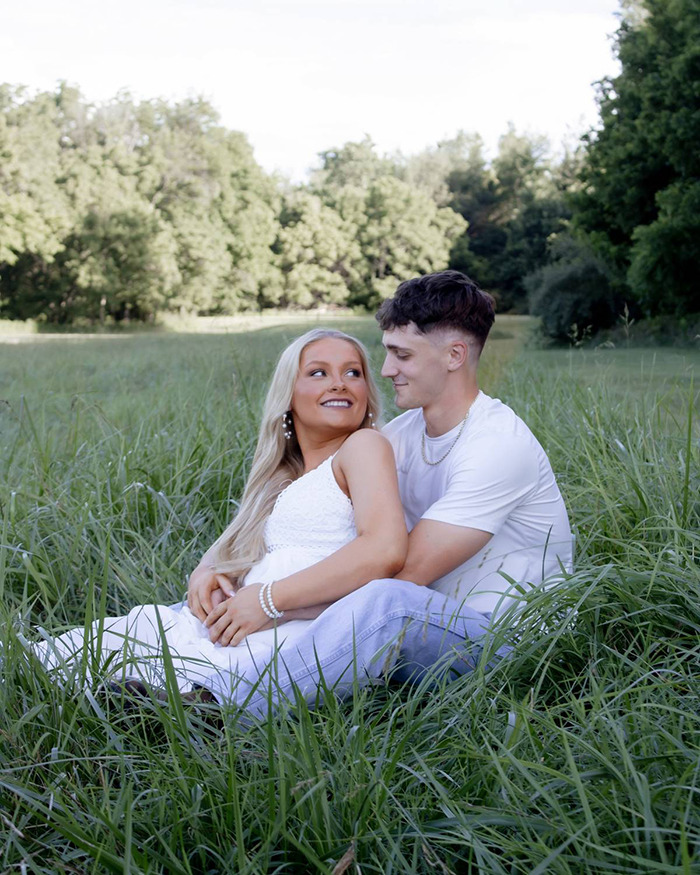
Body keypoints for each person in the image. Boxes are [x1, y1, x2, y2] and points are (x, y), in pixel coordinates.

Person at [189, 270, 573, 715]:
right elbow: (316, 491)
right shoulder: (402, 433)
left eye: (402, 355)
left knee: (383, 602)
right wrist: (210, 566)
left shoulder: (497, 445)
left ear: (454, 355)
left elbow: (401, 576)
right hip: (427, 621)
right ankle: (190, 680)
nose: (386, 370)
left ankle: (221, 709)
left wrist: (272, 604)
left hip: (512, 644)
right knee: (378, 606)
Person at [32, 329, 408, 693]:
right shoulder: (286, 478)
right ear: (288, 396)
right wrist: (206, 570)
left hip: (298, 622)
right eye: (318, 372)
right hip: (249, 618)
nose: (339, 383)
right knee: (99, 645)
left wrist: (268, 600)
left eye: (353, 372)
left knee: (176, 673)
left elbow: (384, 548)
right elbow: (246, 539)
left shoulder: (363, 446)